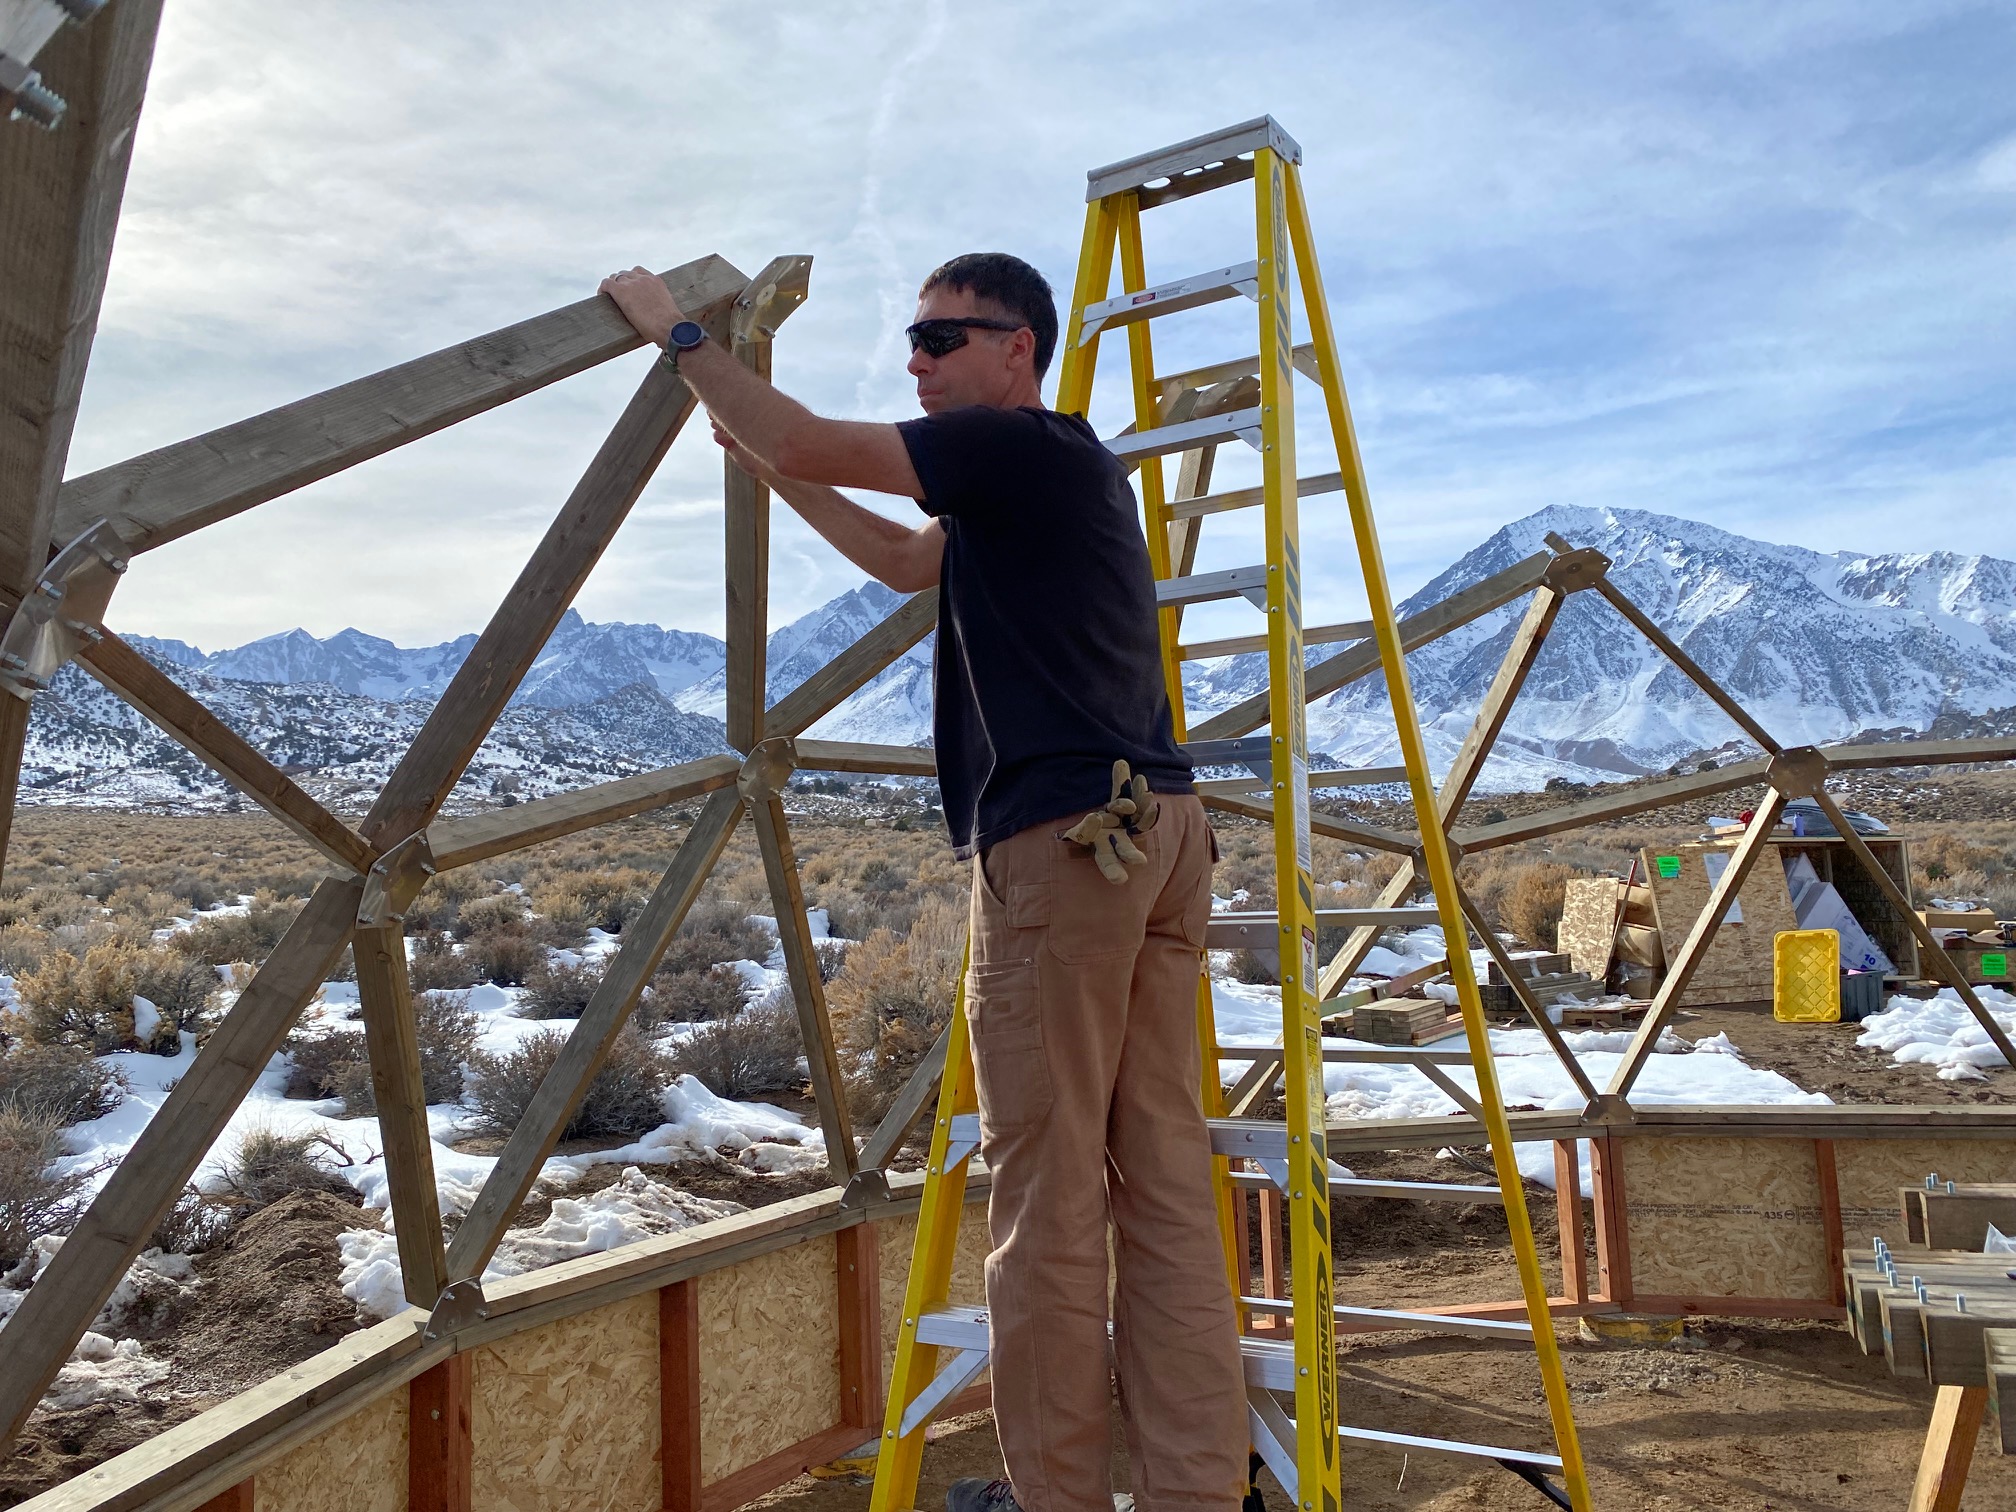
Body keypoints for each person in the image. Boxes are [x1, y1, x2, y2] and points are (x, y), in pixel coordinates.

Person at [600, 253, 1247, 1512]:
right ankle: (1193, 1494)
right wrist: (773, 470)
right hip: (1158, 832)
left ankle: (1058, 1498)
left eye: (943, 339)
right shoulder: (1054, 475)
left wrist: (674, 335)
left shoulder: (1013, 451)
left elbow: (798, 431)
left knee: (1050, 1195)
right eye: (914, 336)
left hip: (1068, 846)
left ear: (1021, 349)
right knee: (1163, 1183)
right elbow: (905, 562)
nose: (916, 358)